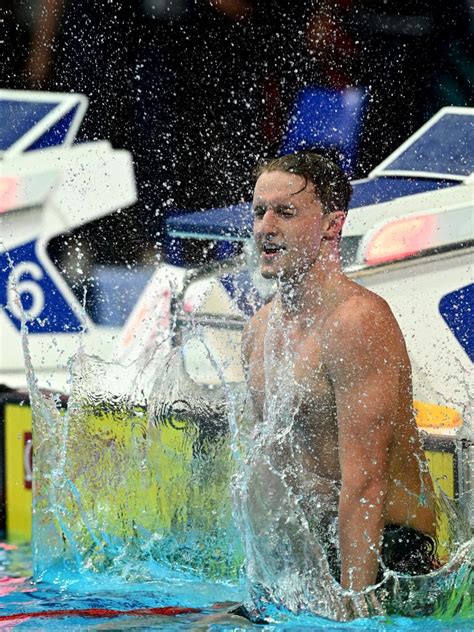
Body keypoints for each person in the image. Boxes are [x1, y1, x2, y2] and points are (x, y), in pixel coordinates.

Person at [238, 151, 439, 618]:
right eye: (259, 211)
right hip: (319, 547)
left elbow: (365, 481)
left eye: (285, 212)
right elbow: (269, 474)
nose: (266, 226)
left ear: (332, 224)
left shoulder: (357, 322)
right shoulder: (259, 331)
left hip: (389, 559)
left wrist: (353, 607)